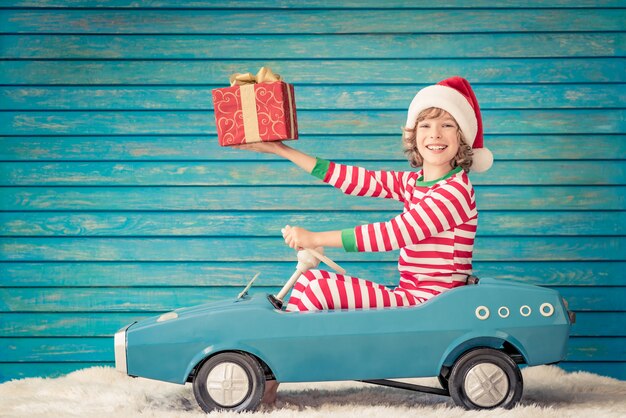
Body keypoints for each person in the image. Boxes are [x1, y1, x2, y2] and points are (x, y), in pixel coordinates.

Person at [236, 76, 493, 405]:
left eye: (447, 125)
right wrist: (282, 150)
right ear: (414, 135)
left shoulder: (455, 192)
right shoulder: (417, 182)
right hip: (413, 297)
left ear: (463, 136)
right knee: (313, 283)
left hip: (430, 305)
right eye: (426, 125)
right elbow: (356, 180)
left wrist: (317, 238)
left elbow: (395, 232)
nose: (435, 135)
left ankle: (270, 379)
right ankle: (273, 375)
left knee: (315, 285)